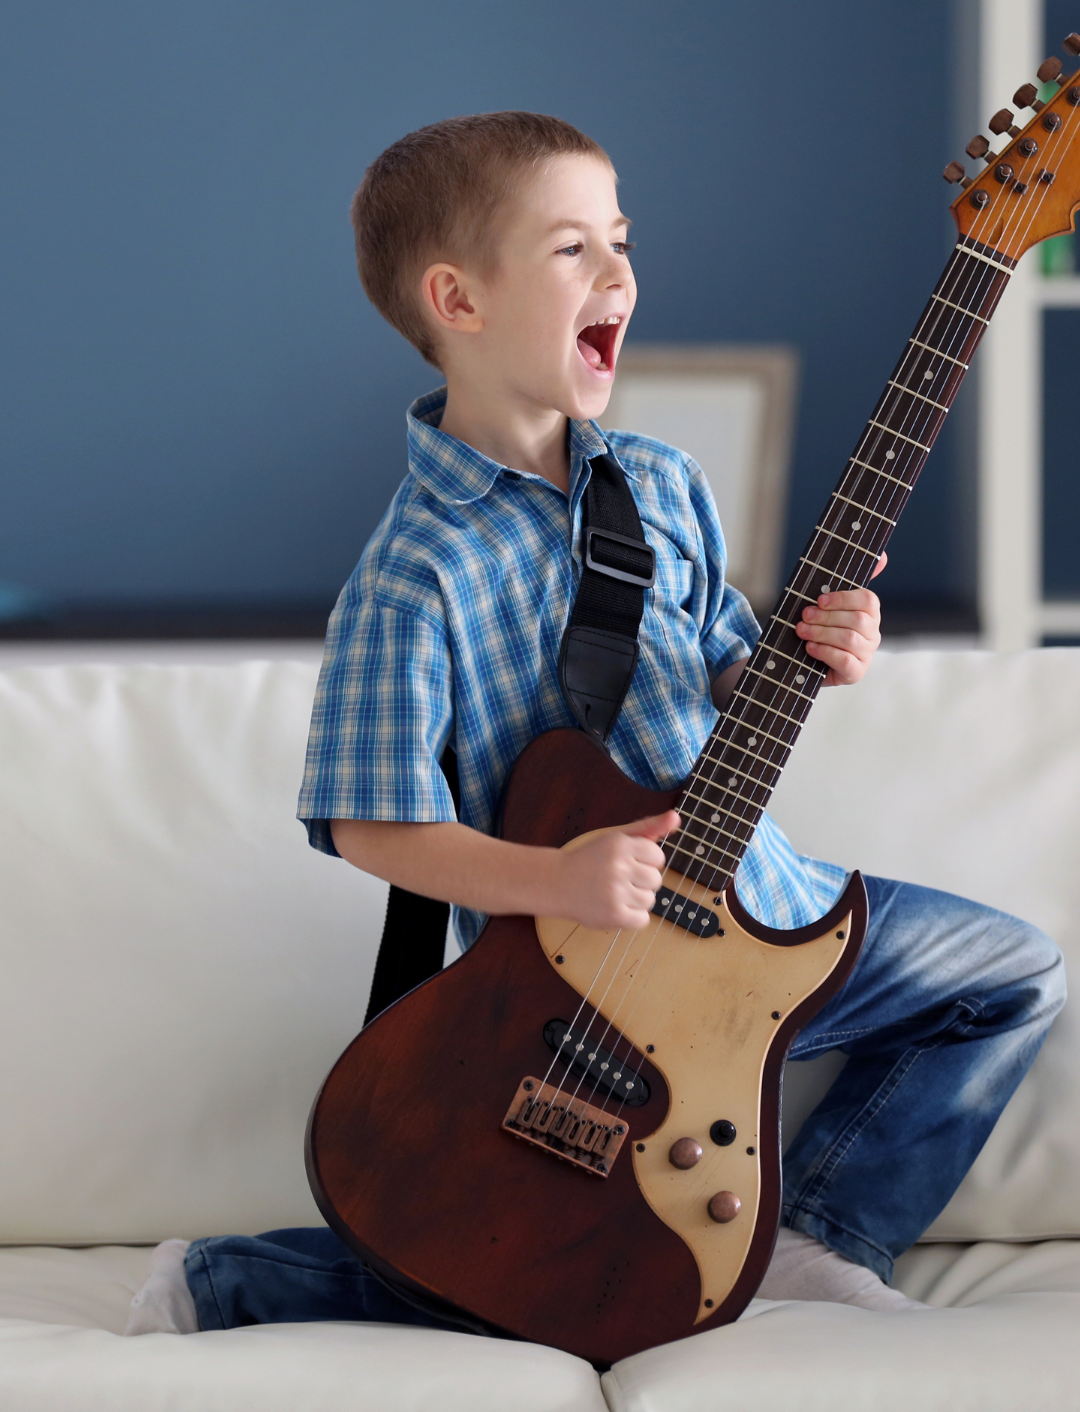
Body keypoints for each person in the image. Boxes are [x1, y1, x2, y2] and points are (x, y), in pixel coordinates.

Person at [125, 112, 1065, 1338]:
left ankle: (822, 1234)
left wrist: (816, 653)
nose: (620, 274)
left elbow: (728, 665)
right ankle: (230, 1282)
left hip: (771, 915)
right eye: (573, 249)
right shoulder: (415, 576)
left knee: (1012, 977)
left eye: (622, 240)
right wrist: (554, 876)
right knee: (550, 1264)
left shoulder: (662, 484)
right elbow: (371, 824)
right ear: (457, 298)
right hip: (582, 998)